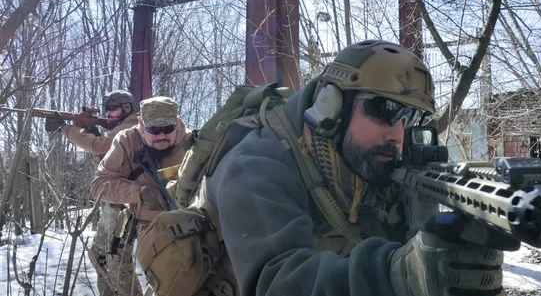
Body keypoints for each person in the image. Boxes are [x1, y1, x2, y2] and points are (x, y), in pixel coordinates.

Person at [205, 40, 512, 296]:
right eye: (385, 110)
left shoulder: (370, 161)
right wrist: (399, 275)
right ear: (331, 105)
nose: (397, 134)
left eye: (410, 118)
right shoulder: (257, 164)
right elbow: (275, 284)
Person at [90, 96, 190, 295]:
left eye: (168, 129)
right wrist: (139, 192)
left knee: (169, 280)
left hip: (179, 222)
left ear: (177, 123)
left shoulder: (193, 143)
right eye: (154, 129)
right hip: (132, 213)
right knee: (110, 262)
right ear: (141, 125)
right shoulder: (126, 140)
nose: (162, 135)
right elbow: (99, 185)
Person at [45, 90, 141, 296]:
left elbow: (99, 146)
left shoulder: (132, 126)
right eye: (106, 109)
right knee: (99, 255)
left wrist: (65, 129)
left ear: (127, 108)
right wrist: (88, 126)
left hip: (129, 203)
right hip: (116, 202)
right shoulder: (121, 128)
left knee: (117, 259)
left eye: (113, 109)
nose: (109, 114)